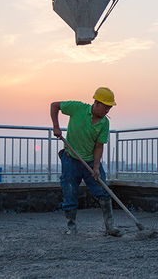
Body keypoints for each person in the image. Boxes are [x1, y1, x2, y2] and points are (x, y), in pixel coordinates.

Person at [50, 87, 121, 237]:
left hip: (89, 162)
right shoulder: (77, 108)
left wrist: (96, 167)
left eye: (110, 107)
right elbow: (54, 105)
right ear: (96, 102)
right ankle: (71, 227)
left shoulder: (104, 123)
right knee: (69, 192)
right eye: (106, 106)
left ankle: (110, 227)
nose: (108, 110)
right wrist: (56, 126)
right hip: (70, 159)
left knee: (103, 192)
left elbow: (99, 145)